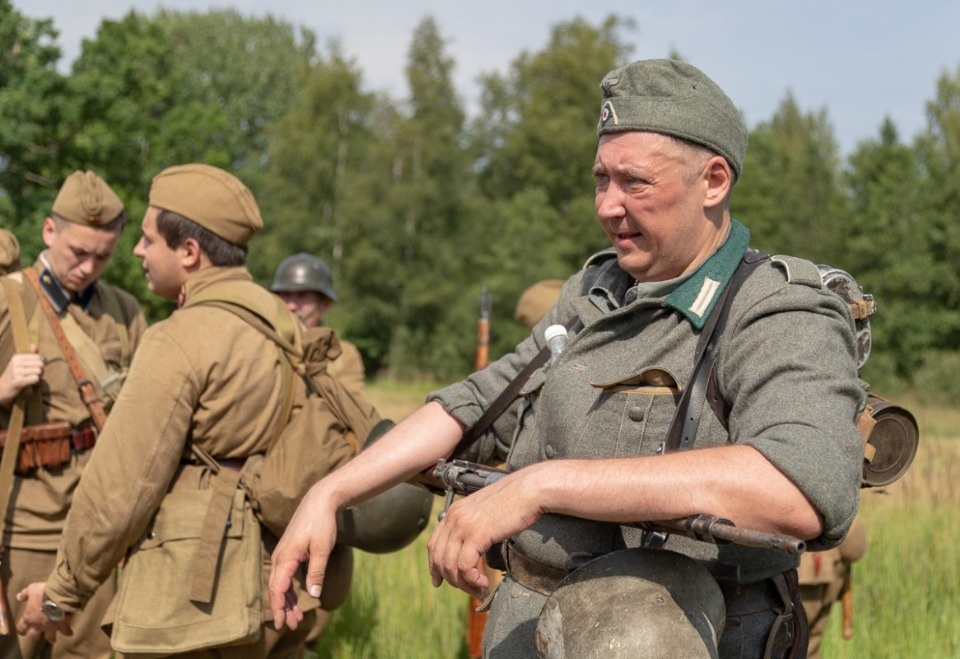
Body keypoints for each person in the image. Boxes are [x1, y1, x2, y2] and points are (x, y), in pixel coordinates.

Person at [269, 59, 865, 658]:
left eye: (635, 183)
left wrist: (540, 486)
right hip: (531, 631)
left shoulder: (776, 310)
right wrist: (331, 493)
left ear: (713, 181)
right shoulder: (593, 294)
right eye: (601, 179)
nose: (608, 206)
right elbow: (476, 404)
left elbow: (798, 488)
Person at [14, 164, 321, 657]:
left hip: (195, 598)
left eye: (147, 239)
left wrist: (58, 596)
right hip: (277, 583)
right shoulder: (285, 327)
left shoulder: (178, 337)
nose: (137, 251)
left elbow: (121, 489)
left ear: (190, 252)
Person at [0, 171, 146, 659]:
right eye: (77, 252)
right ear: (48, 232)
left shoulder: (126, 313)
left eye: (103, 256)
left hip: (96, 528)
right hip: (25, 524)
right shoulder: (7, 300)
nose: (88, 266)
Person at [271, 253, 365, 398]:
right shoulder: (266, 344)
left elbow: (351, 409)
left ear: (324, 304)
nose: (291, 306)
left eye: (302, 296)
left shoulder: (343, 355)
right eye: (285, 295)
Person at [799, 516, 867, 658]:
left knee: (794, 641)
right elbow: (854, 549)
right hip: (829, 572)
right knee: (810, 644)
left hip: (802, 574)